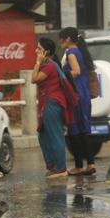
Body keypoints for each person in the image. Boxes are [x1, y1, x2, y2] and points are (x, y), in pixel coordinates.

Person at [31, 37, 73, 178]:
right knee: (43, 136)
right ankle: (52, 166)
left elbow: (34, 79)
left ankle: (61, 169)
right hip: (46, 103)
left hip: (52, 103)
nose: (36, 51)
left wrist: (37, 63)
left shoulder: (49, 66)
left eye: (39, 49)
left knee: (55, 135)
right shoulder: (47, 65)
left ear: (46, 52)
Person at [59, 27, 97, 176]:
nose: (60, 42)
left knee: (74, 130)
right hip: (84, 94)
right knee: (83, 131)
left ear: (68, 39)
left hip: (75, 95)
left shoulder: (71, 52)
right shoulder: (82, 52)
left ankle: (79, 166)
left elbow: (76, 71)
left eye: (61, 38)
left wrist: (62, 79)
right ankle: (91, 163)